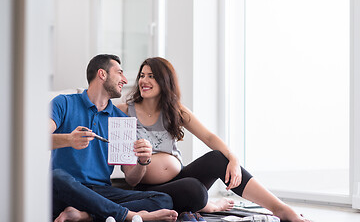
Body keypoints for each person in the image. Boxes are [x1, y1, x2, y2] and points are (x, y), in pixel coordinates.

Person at [117, 57, 311, 222]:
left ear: (164, 81)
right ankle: (207, 205)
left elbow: (209, 137)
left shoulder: (175, 111)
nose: (144, 80)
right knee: (194, 190)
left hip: (179, 178)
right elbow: (129, 174)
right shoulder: (125, 111)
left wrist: (233, 158)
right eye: (142, 75)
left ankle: (279, 208)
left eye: (151, 76)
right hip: (147, 188)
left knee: (218, 158)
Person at [51, 54, 178, 222]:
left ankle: (85, 216)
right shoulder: (63, 103)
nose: (125, 80)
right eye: (119, 72)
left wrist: (142, 161)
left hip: (100, 191)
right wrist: (69, 139)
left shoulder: (121, 120)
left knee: (163, 200)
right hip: (65, 189)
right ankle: (127, 216)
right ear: (102, 74)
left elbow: (131, 178)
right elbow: (35, 140)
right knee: (56, 176)